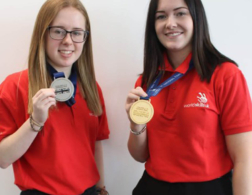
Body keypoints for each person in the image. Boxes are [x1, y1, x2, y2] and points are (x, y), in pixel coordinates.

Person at [125, 0, 252, 195]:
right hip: (152, 187)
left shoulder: (226, 75)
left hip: (209, 189)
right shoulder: (146, 82)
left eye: (180, 13)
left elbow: (244, 159)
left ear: (196, 18)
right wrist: (136, 125)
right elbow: (140, 156)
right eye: (161, 16)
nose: (170, 23)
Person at [0, 0, 110, 194]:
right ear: (42, 34)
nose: (68, 41)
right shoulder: (14, 87)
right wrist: (35, 122)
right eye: (58, 31)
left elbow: (96, 144)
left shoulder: (92, 89)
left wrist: (102, 189)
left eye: (76, 33)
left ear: (85, 38)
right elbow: (3, 158)